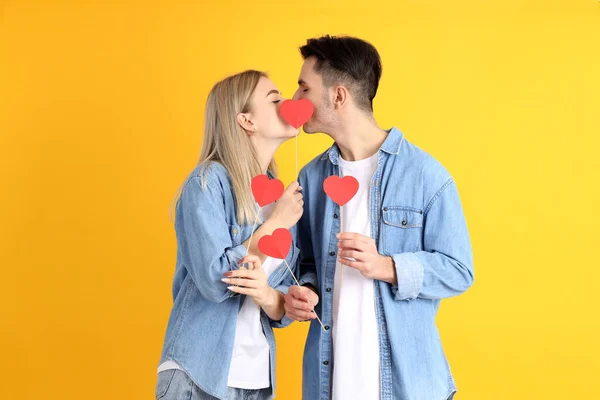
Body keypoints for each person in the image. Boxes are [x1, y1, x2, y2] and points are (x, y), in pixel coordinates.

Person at [283, 35, 475, 400]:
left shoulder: (425, 175)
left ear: (338, 96)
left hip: (408, 387)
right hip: (329, 385)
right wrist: (303, 291)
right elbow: (305, 263)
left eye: (304, 88)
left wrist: (386, 266)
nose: (294, 101)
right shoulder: (310, 178)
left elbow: (459, 270)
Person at [156, 70, 305, 400]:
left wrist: (274, 297)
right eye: (275, 99)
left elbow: (278, 306)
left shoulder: (282, 202)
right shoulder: (207, 184)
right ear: (247, 120)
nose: (290, 103)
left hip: (256, 382)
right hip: (199, 375)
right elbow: (213, 280)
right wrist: (275, 224)